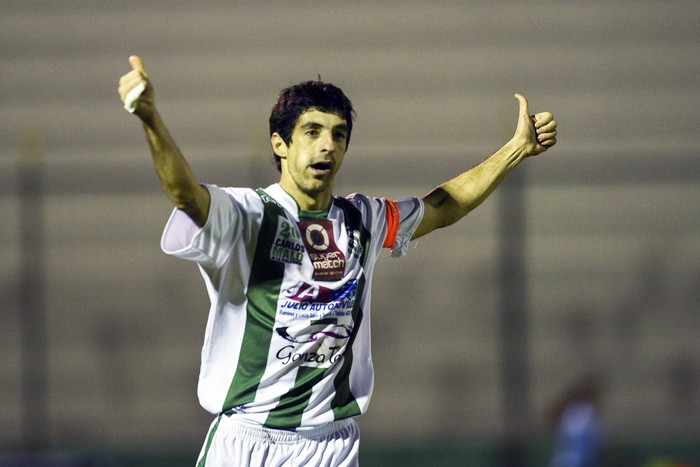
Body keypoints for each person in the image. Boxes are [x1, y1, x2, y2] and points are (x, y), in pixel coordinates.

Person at [118, 55, 557, 467]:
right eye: (312, 132)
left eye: (338, 134)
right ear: (280, 143)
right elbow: (186, 195)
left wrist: (516, 150)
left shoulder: (363, 218)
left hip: (328, 446)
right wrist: (151, 118)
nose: (327, 146)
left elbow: (442, 207)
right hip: (246, 442)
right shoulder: (248, 215)